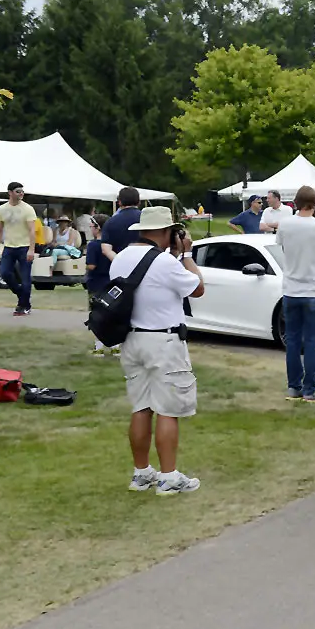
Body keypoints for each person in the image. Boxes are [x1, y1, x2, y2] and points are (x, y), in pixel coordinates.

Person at [109, 204, 205, 494]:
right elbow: (197, 288)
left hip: (132, 338)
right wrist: (186, 254)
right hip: (163, 341)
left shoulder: (122, 258)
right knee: (168, 409)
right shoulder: (165, 263)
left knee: (141, 408)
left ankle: (141, 473)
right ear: (166, 231)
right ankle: (169, 476)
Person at [275, 186, 315, 402]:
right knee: (311, 341)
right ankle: (310, 389)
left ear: (296, 203)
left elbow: (282, 248)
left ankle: (293, 386)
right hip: (313, 289)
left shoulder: (285, 224)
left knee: (292, 340)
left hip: (291, 289)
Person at [0, 181, 36, 315]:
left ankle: (24, 306)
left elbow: (32, 231)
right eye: (18, 191)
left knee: (25, 279)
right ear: (10, 193)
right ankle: (22, 296)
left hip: (24, 247)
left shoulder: (28, 209)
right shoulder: (2, 209)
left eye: (22, 191)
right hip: (9, 247)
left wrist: (31, 249)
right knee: (5, 273)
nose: (21, 193)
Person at [85, 214, 112, 356]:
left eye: (91, 226)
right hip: (112, 283)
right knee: (112, 315)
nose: (90, 229)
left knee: (97, 316)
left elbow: (91, 265)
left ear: (97, 227)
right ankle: (116, 345)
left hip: (96, 284)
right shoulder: (112, 245)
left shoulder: (93, 245)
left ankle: (99, 346)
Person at [101, 186, 143, 264]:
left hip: (120, 269)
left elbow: (105, 249)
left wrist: (120, 263)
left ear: (119, 202)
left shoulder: (110, 222)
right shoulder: (147, 220)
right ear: (139, 202)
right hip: (146, 265)